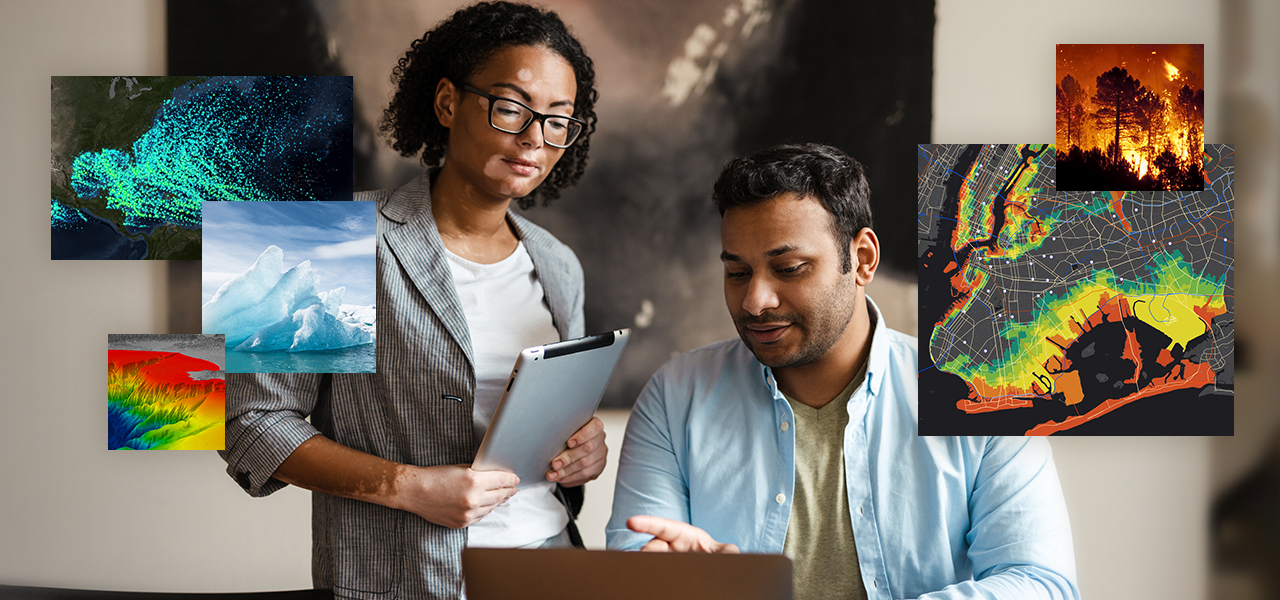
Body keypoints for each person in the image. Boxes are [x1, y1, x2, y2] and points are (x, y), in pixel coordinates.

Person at [219, 3, 607, 598]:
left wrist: (580, 451)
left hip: (553, 562)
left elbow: (549, 425)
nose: (535, 137)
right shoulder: (339, 235)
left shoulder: (558, 263)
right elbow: (248, 424)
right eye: (511, 107)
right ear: (448, 102)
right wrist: (407, 486)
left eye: (558, 120)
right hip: (402, 578)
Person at [606, 143, 1080, 600]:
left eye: (789, 268)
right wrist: (702, 587)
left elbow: (1040, 581)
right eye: (737, 273)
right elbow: (635, 571)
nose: (755, 301)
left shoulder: (981, 392)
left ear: (863, 259)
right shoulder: (675, 395)